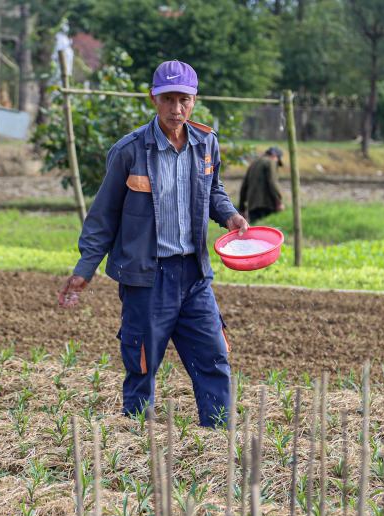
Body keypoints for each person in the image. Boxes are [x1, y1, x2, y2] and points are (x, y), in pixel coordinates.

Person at [57, 60, 249, 428]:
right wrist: (85, 271)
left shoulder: (206, 144)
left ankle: (218, 440)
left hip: (193, 274)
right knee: (142, 362)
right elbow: (103, 218)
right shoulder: (129, 151)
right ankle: (134, 440)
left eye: (185, 100)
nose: (177, 109)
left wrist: (231, 216)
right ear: (153, 98)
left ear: (195, 101)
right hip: (147, 276)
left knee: (213, 355)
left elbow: (213, 192)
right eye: (168, 99)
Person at [238, 147, 285, 223]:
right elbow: (273, 182)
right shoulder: (271, 162)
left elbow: (244, 187)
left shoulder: (253, 164)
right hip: (268, 206)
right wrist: (279, 202)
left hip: (252, 208)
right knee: (269, 232)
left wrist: (242, 208)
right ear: (274, 156)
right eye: (278, 161)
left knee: (256, 232)